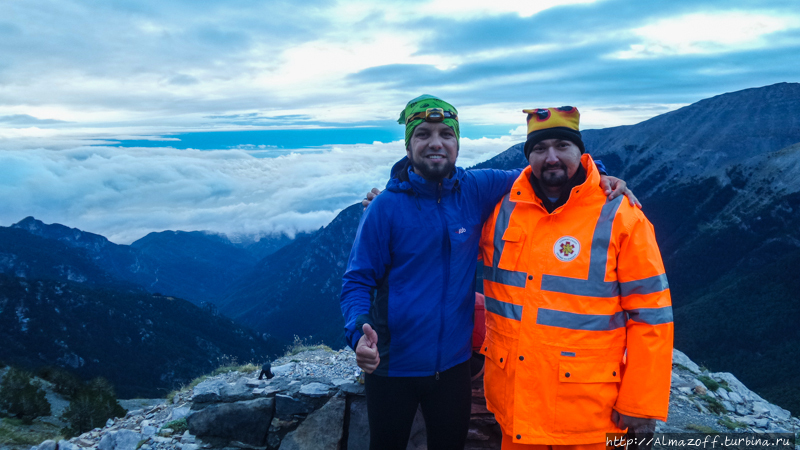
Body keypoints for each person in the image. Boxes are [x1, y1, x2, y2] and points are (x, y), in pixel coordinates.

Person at [340, 95, 636, 450]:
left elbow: (542, 171)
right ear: (408, 144)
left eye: (446, 135)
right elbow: (357, 280)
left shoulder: (478, 188)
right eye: (423, 134)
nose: (436, 143)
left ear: (457, 143)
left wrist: (597, 174)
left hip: (454, 368)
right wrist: (358, 333)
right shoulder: (385, 207)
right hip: (391, 366)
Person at [478, 106, 673, 449]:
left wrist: (641, 404)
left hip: (591, 417)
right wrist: (391, 198)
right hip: (516, 411)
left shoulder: (621, 216)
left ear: (581, 153)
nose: (550, 157)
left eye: (562, 146)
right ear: (528, 157)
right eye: (539, 149)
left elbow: (651, 315)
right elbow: (442, 227)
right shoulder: (502, 210)